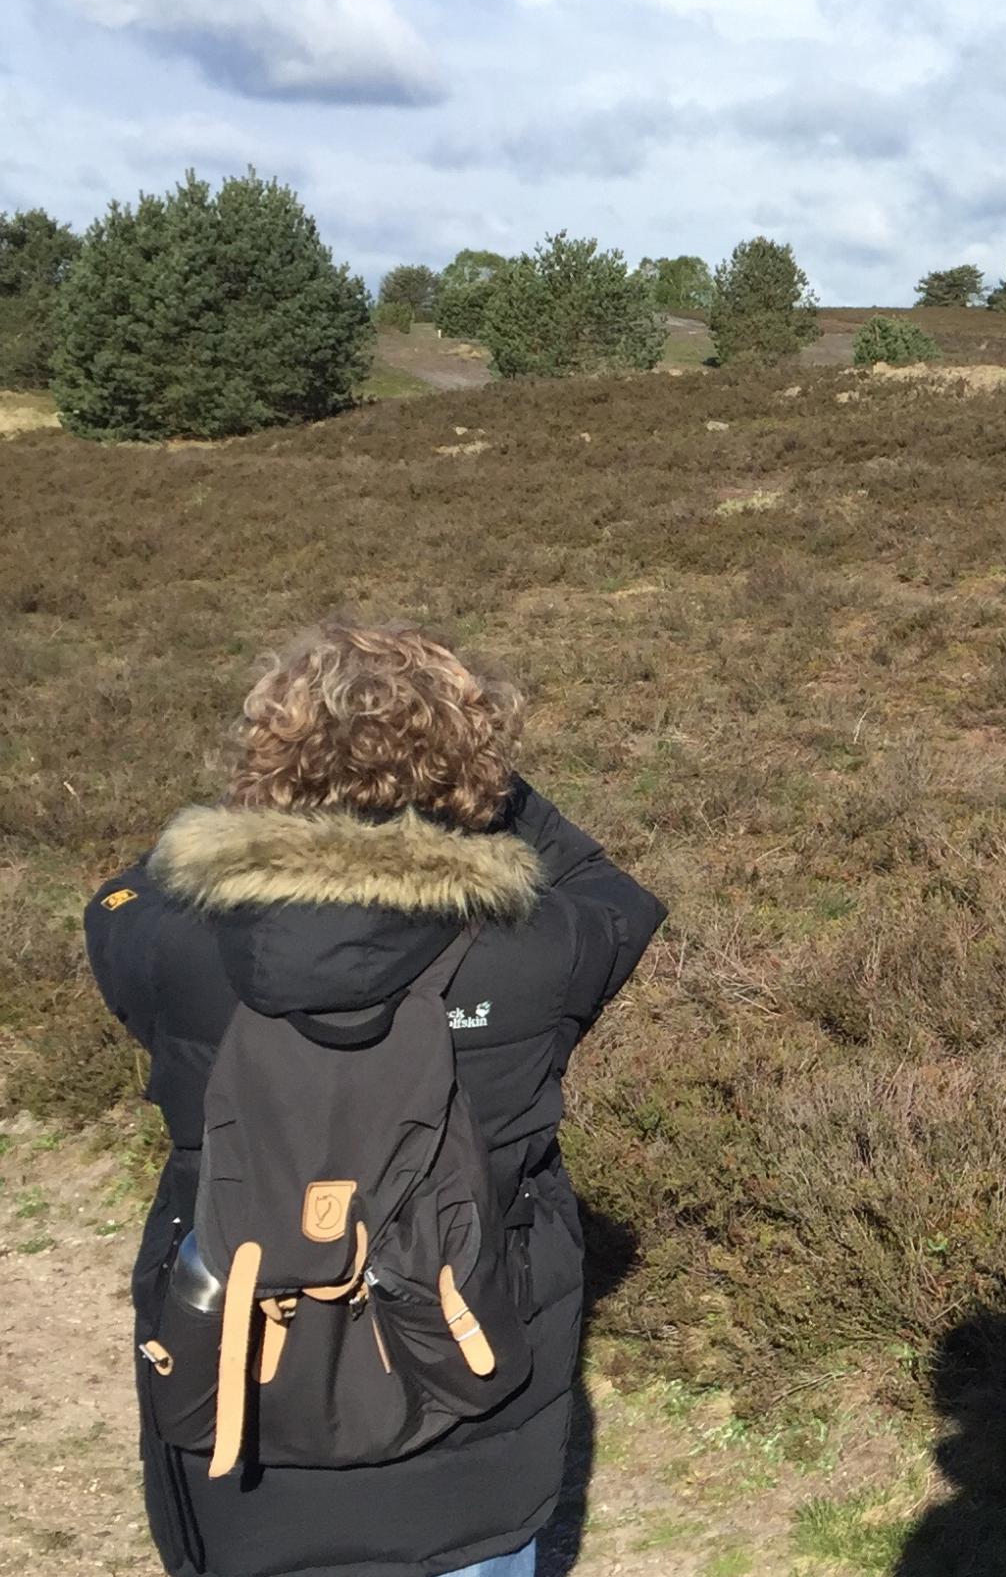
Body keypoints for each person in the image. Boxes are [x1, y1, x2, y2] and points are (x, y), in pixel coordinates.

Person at [87, 624, 667, 1577]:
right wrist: (489, 795)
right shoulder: (538, 951)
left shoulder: (170, 948)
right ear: (473, 769)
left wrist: (248, 820)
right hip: (467, 1430)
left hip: (240, 1414)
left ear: (263, 766)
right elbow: (614, 894)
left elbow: (125, 892)